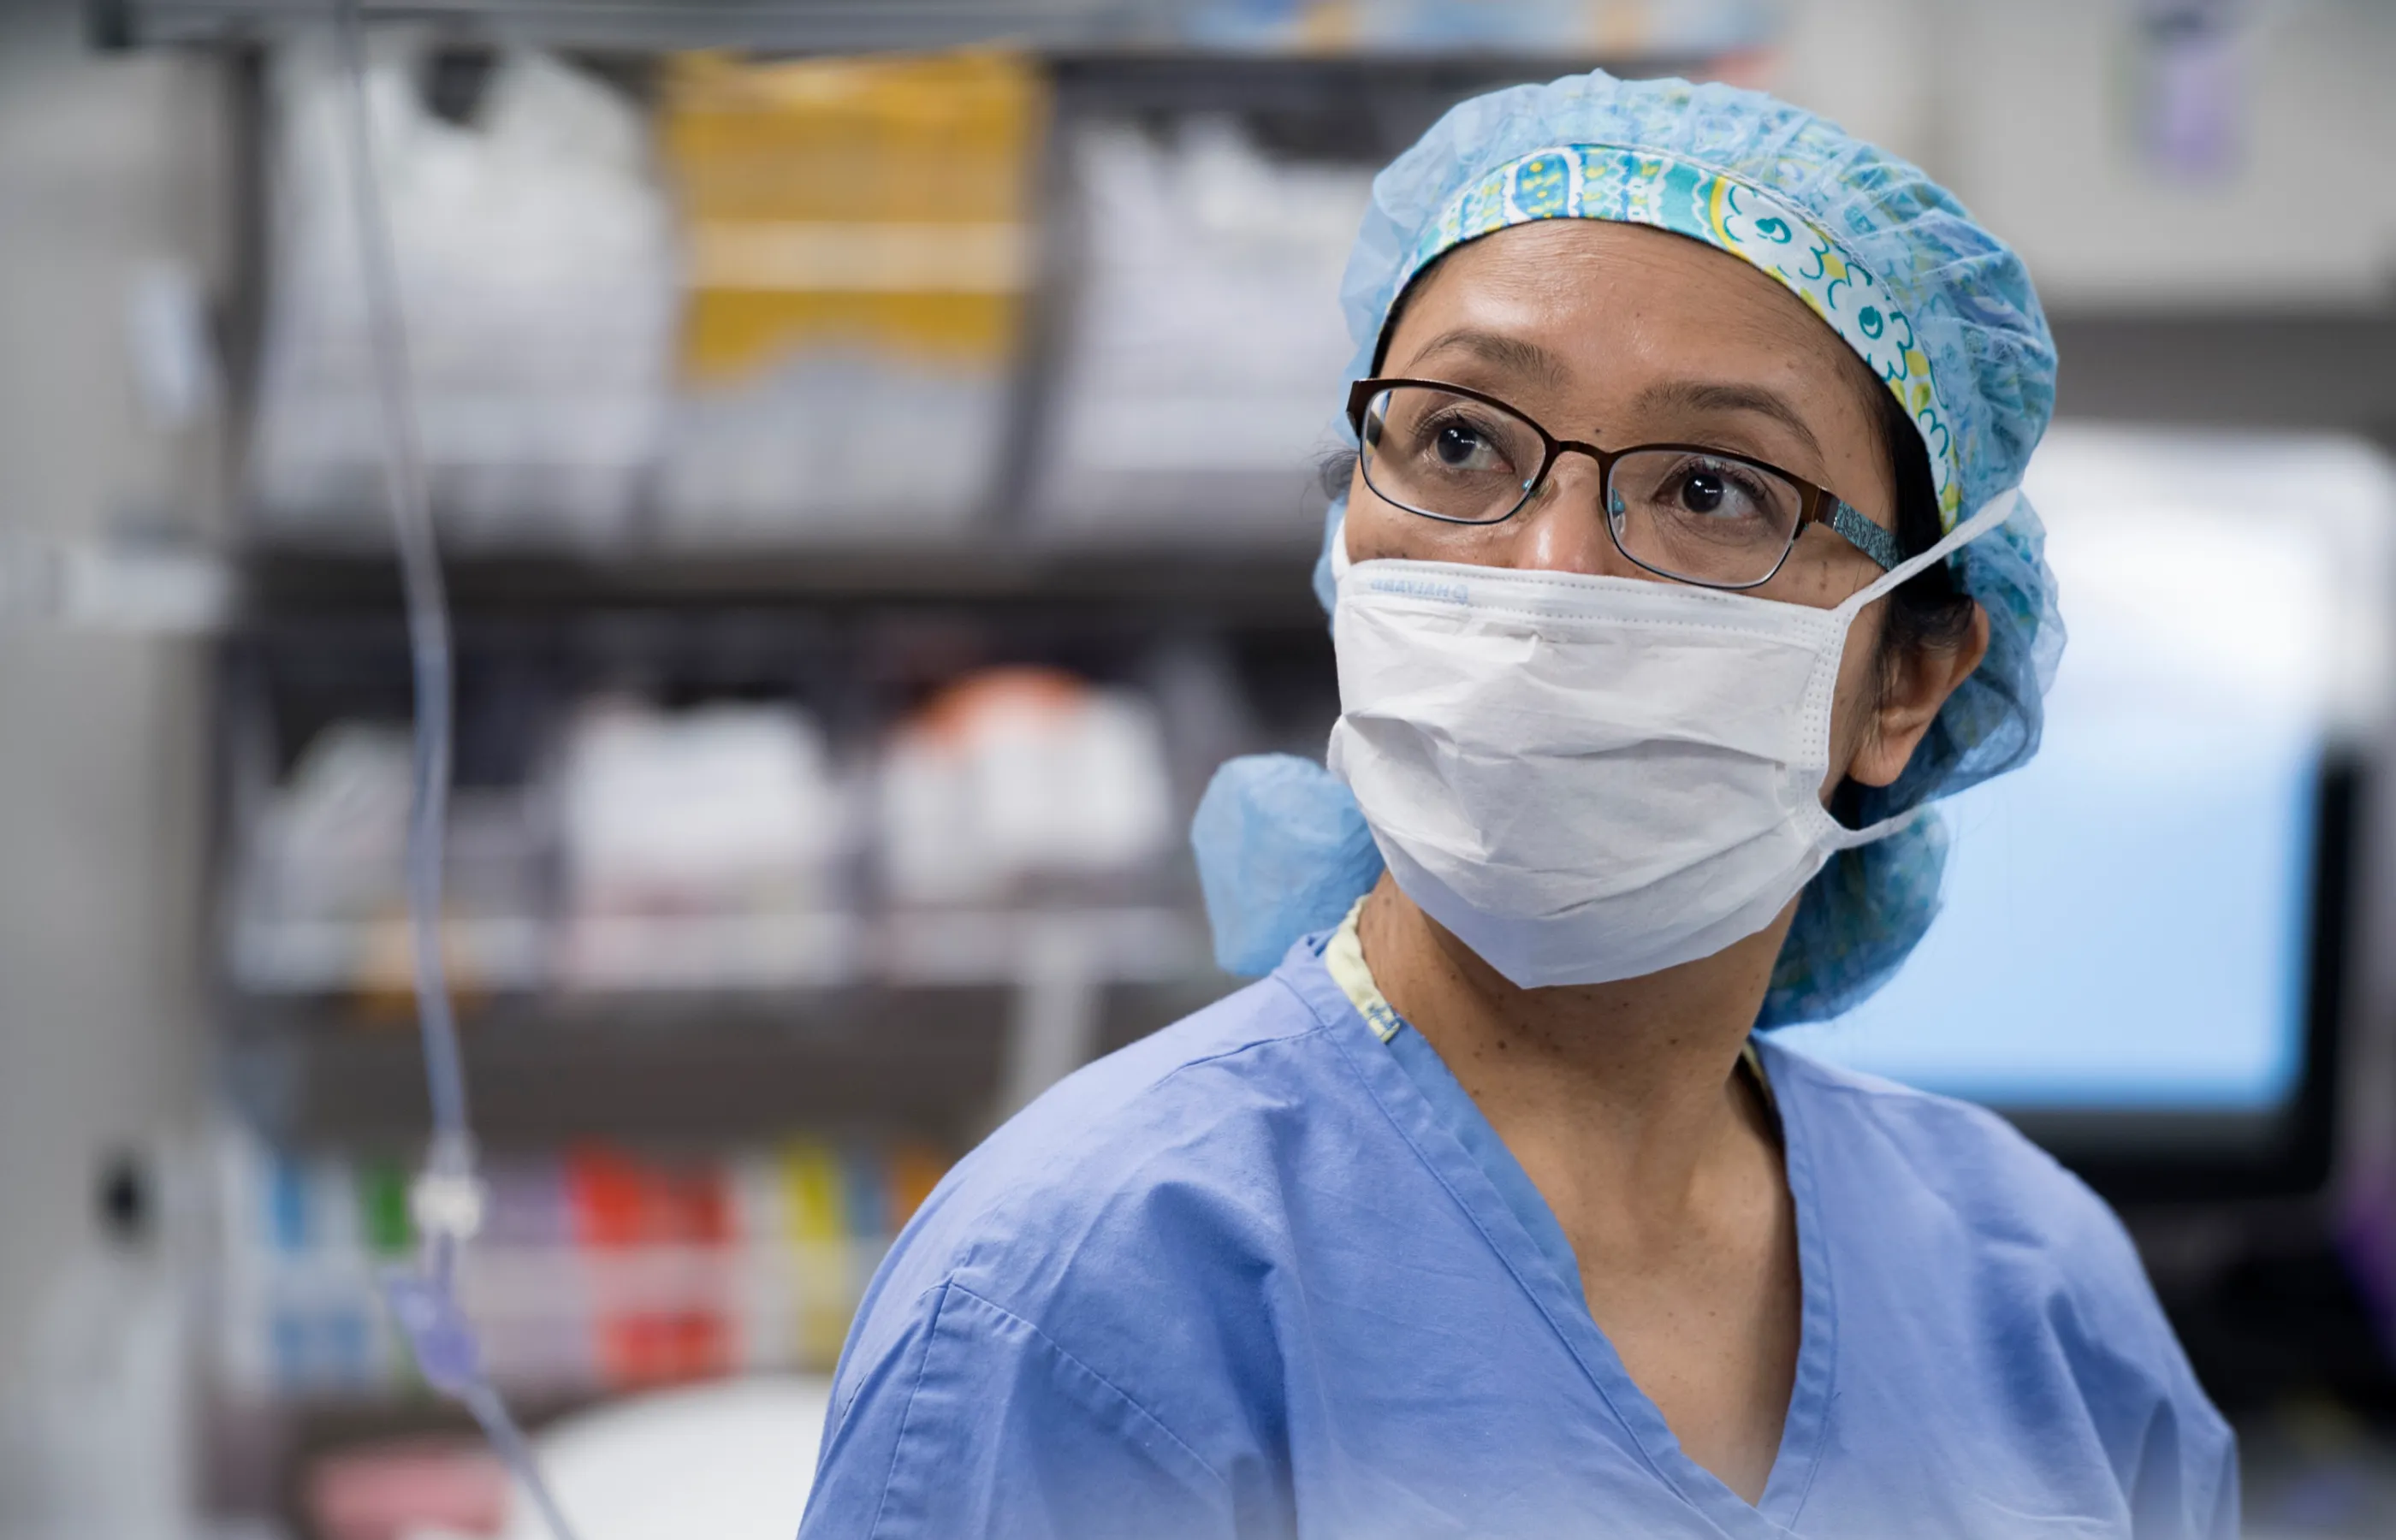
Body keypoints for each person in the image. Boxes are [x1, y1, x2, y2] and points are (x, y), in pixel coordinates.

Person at [798, 70, 2235, 1539]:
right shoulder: (1087, 1300)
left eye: (1714, 489)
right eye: (1463, 444)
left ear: (1907, 680)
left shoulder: (2042, 1303)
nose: (1549, 575)